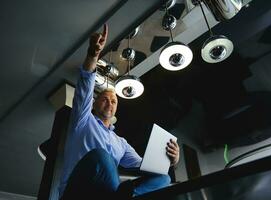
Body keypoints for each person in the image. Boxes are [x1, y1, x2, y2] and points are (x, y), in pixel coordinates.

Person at [58, 24, 180, 200]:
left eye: (114, 101)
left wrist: (172, 162)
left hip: (104, 195)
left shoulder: (121, 143)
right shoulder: (83, 120)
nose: (110, 102)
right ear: (94, 104)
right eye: (105, 99)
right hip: (76, 192)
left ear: (116, 108)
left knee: (164, 178)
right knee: (102, 156)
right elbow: (84, 87)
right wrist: (93, 55)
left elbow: (145, 166)